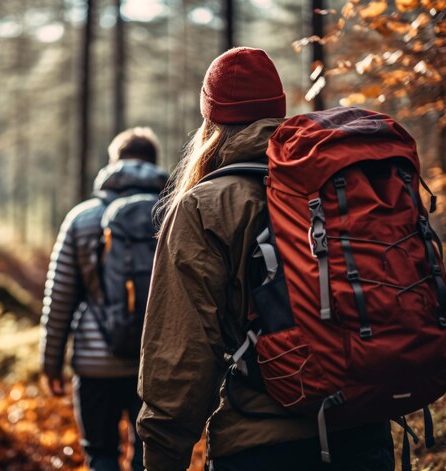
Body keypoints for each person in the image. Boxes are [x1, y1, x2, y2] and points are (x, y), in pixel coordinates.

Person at [136, 47, 395, 470]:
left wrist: (163, 455)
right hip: (364, 431)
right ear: (278, 110)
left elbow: (180, 355)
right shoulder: (340, 183)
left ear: (211, 120)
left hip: (262, 443)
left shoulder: (207, 205)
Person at [40, 127, 168, 471]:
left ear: (114, 164)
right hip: (155, 362)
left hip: (96, 364)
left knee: (101, 455)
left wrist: (51, 362)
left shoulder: (82, 218)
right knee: (149, 457)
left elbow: (60, 296)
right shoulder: (175, 213)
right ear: (154, 164)